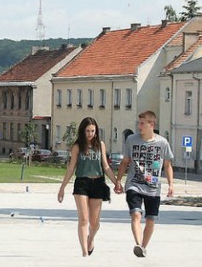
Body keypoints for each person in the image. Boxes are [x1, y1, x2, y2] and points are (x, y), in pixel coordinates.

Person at [114, 110, 174, 258]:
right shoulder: (131, 140)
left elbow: (167, 165)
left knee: (150, 220)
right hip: (134, 184)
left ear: (151, 124)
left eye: (142, 123)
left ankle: (143, 247)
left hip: (153, 188)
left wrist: (171, 184)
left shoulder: (162, 143)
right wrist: (118, 181)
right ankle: (138, 243)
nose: (139, 126)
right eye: (138, 123)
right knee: (135, 214)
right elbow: (125, 162)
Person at [58, 117, 117, 257]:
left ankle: (90, 238)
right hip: (82, 183)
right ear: (82, 132)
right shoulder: (77, 146)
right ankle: (84, 252)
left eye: (93, 131)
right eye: (87, 131)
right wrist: (62, 189)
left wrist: (116, 182)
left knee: (95, 223)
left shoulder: (100, 145)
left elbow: (106, 166)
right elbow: (71, 168)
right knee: (83, 219)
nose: (90, 134)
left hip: (97, 183)